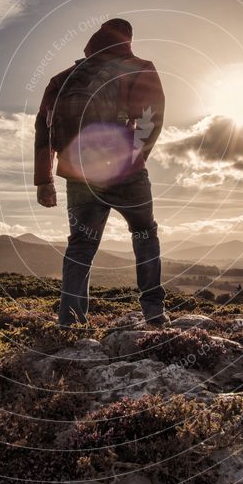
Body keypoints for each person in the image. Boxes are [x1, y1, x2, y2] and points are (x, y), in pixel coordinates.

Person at [34, 17, 169, 328]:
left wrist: (44, 180)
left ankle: (69, 322)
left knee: (81, 244)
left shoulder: (63, 79)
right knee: (144, 234)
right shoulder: (138, 67)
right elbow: (153, 116)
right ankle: (154, 313)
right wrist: (136, 156)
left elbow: (43, 128)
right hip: (126, 173)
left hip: (78, 174)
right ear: (128, 40)